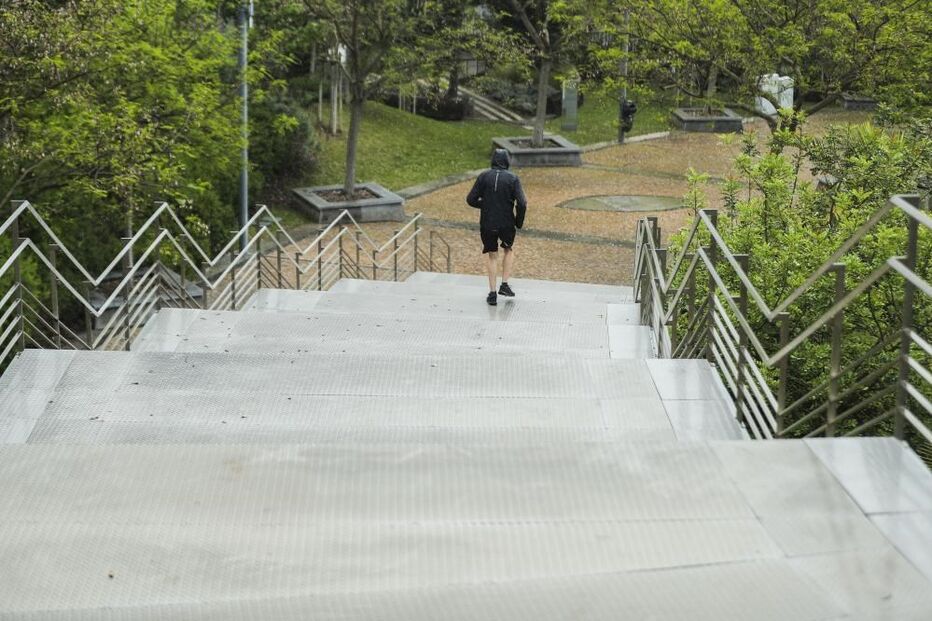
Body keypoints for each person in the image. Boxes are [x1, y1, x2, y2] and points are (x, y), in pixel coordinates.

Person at [465, 149, 527, 306]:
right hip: (506, 222)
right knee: (508, 249)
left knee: (492, 255)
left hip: (488, 222)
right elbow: (522, 202)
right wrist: (519, 222)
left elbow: (471, 199)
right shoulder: (513, 178)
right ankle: (504, 284)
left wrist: (485, 205)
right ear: (507, 161)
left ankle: (492, 293)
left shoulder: (484, 177)